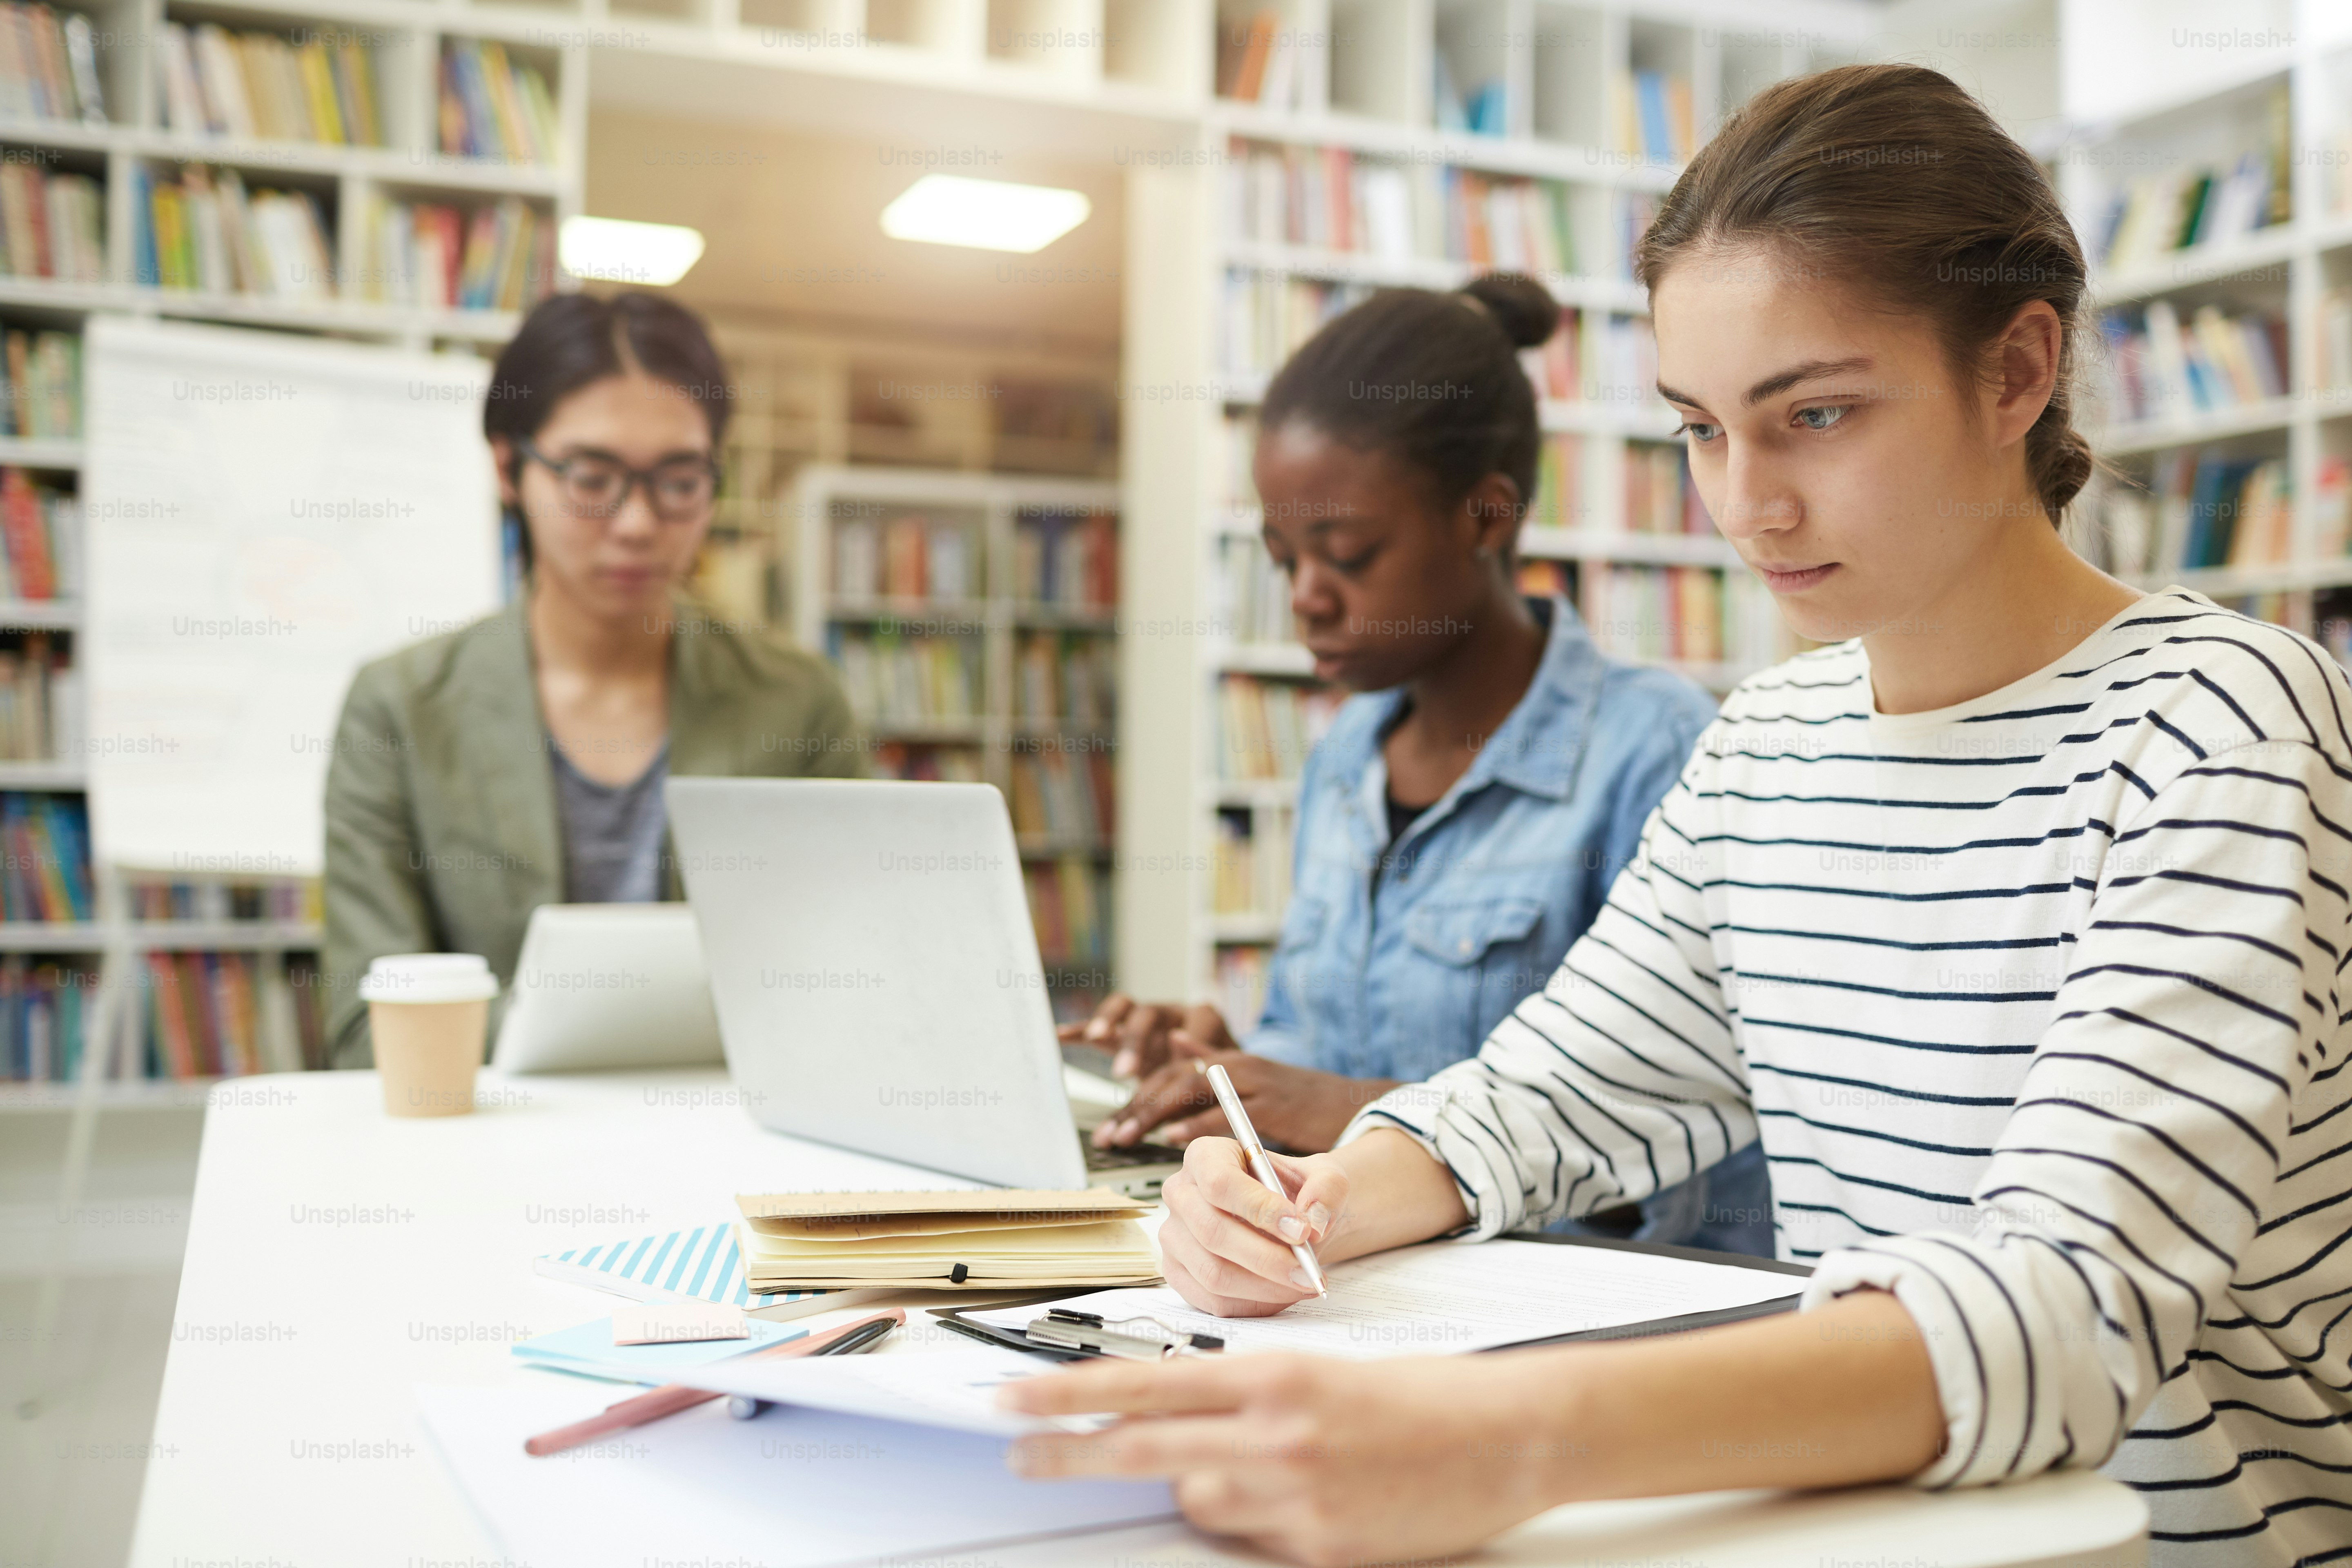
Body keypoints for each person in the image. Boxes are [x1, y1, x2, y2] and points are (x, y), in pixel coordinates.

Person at [997, 63, 2352, 1568]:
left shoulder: (2223, 721)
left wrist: (1513, 1436)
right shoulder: (1768, 744)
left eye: (1815, 415)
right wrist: (1304, 1198)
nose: (1746, 505)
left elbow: (2066, 1307)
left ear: (2018, 372)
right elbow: (1543, 1102)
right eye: (1700, 430)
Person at [1067, 273, 1771, 1254]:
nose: (1305, 597)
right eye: (1283, 560)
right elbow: (1317, 1055)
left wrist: (1349, 1112)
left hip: (1559, 1331)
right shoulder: (1347, 758)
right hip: (1342, 1280)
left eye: (1346, 553)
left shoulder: (1652, 752)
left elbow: (1701, 1165)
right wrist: (1231, 1072)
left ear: (1486, 517)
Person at [321, 292, 862, 1067]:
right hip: (483, 1160)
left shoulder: (798, 701)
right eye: (592, 475)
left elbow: (856, 978)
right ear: (509, 468)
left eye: (679, 479)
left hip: (738, 1151)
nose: (638, 522)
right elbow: (366, 1029)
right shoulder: (399, 709)